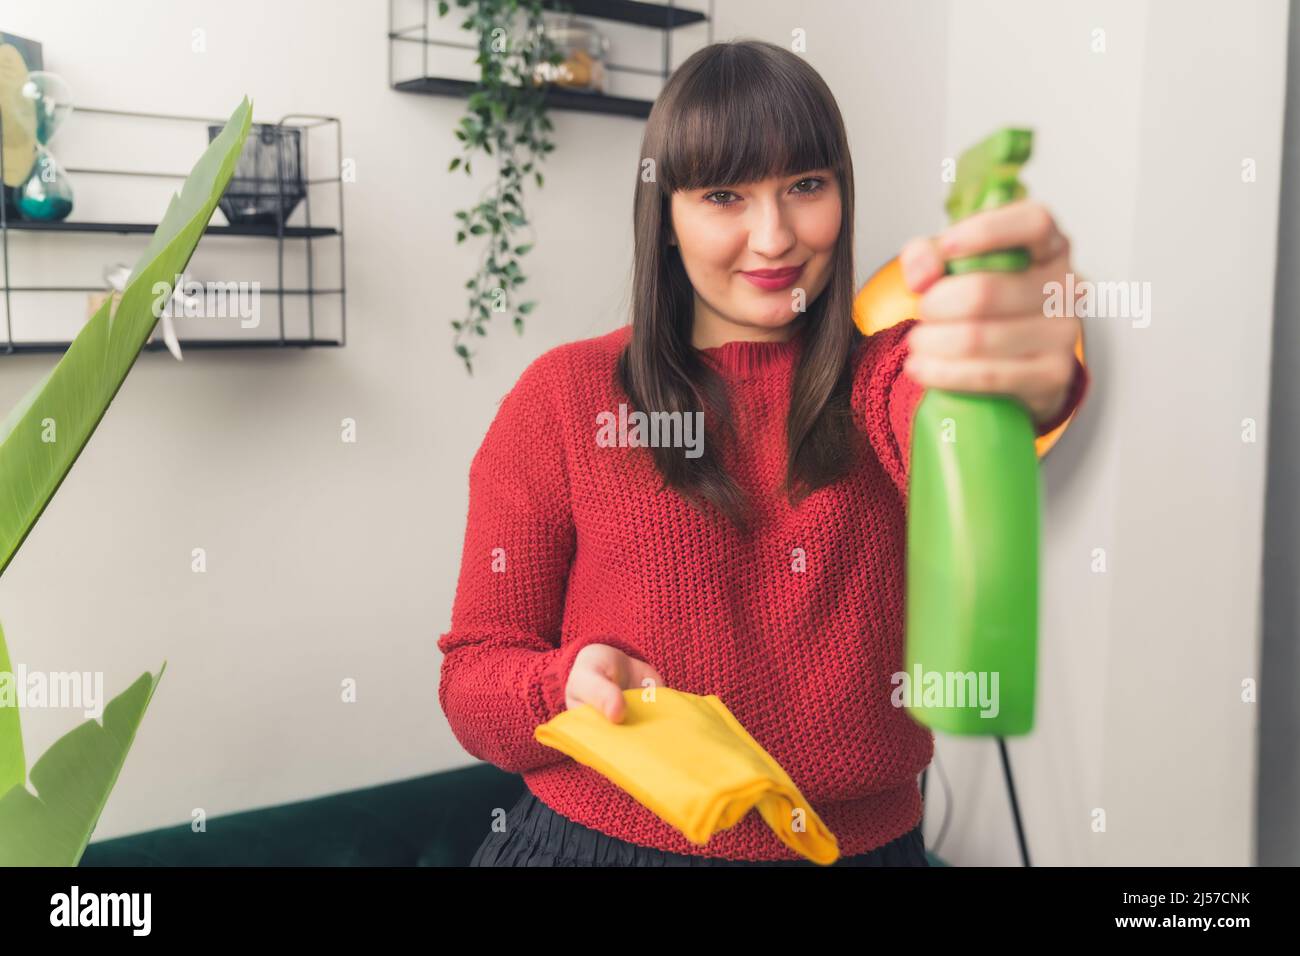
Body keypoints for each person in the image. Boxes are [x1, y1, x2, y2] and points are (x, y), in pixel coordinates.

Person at [438, 38, 1089, 867]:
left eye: (806, 186)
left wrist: (1021, 366)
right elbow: (473, 680)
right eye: (724, 196)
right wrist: (559, 683)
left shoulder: (884, 374)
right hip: (596, 848)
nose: (775, 236)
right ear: (666, 217)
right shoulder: (565, 397)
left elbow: (957, 410)